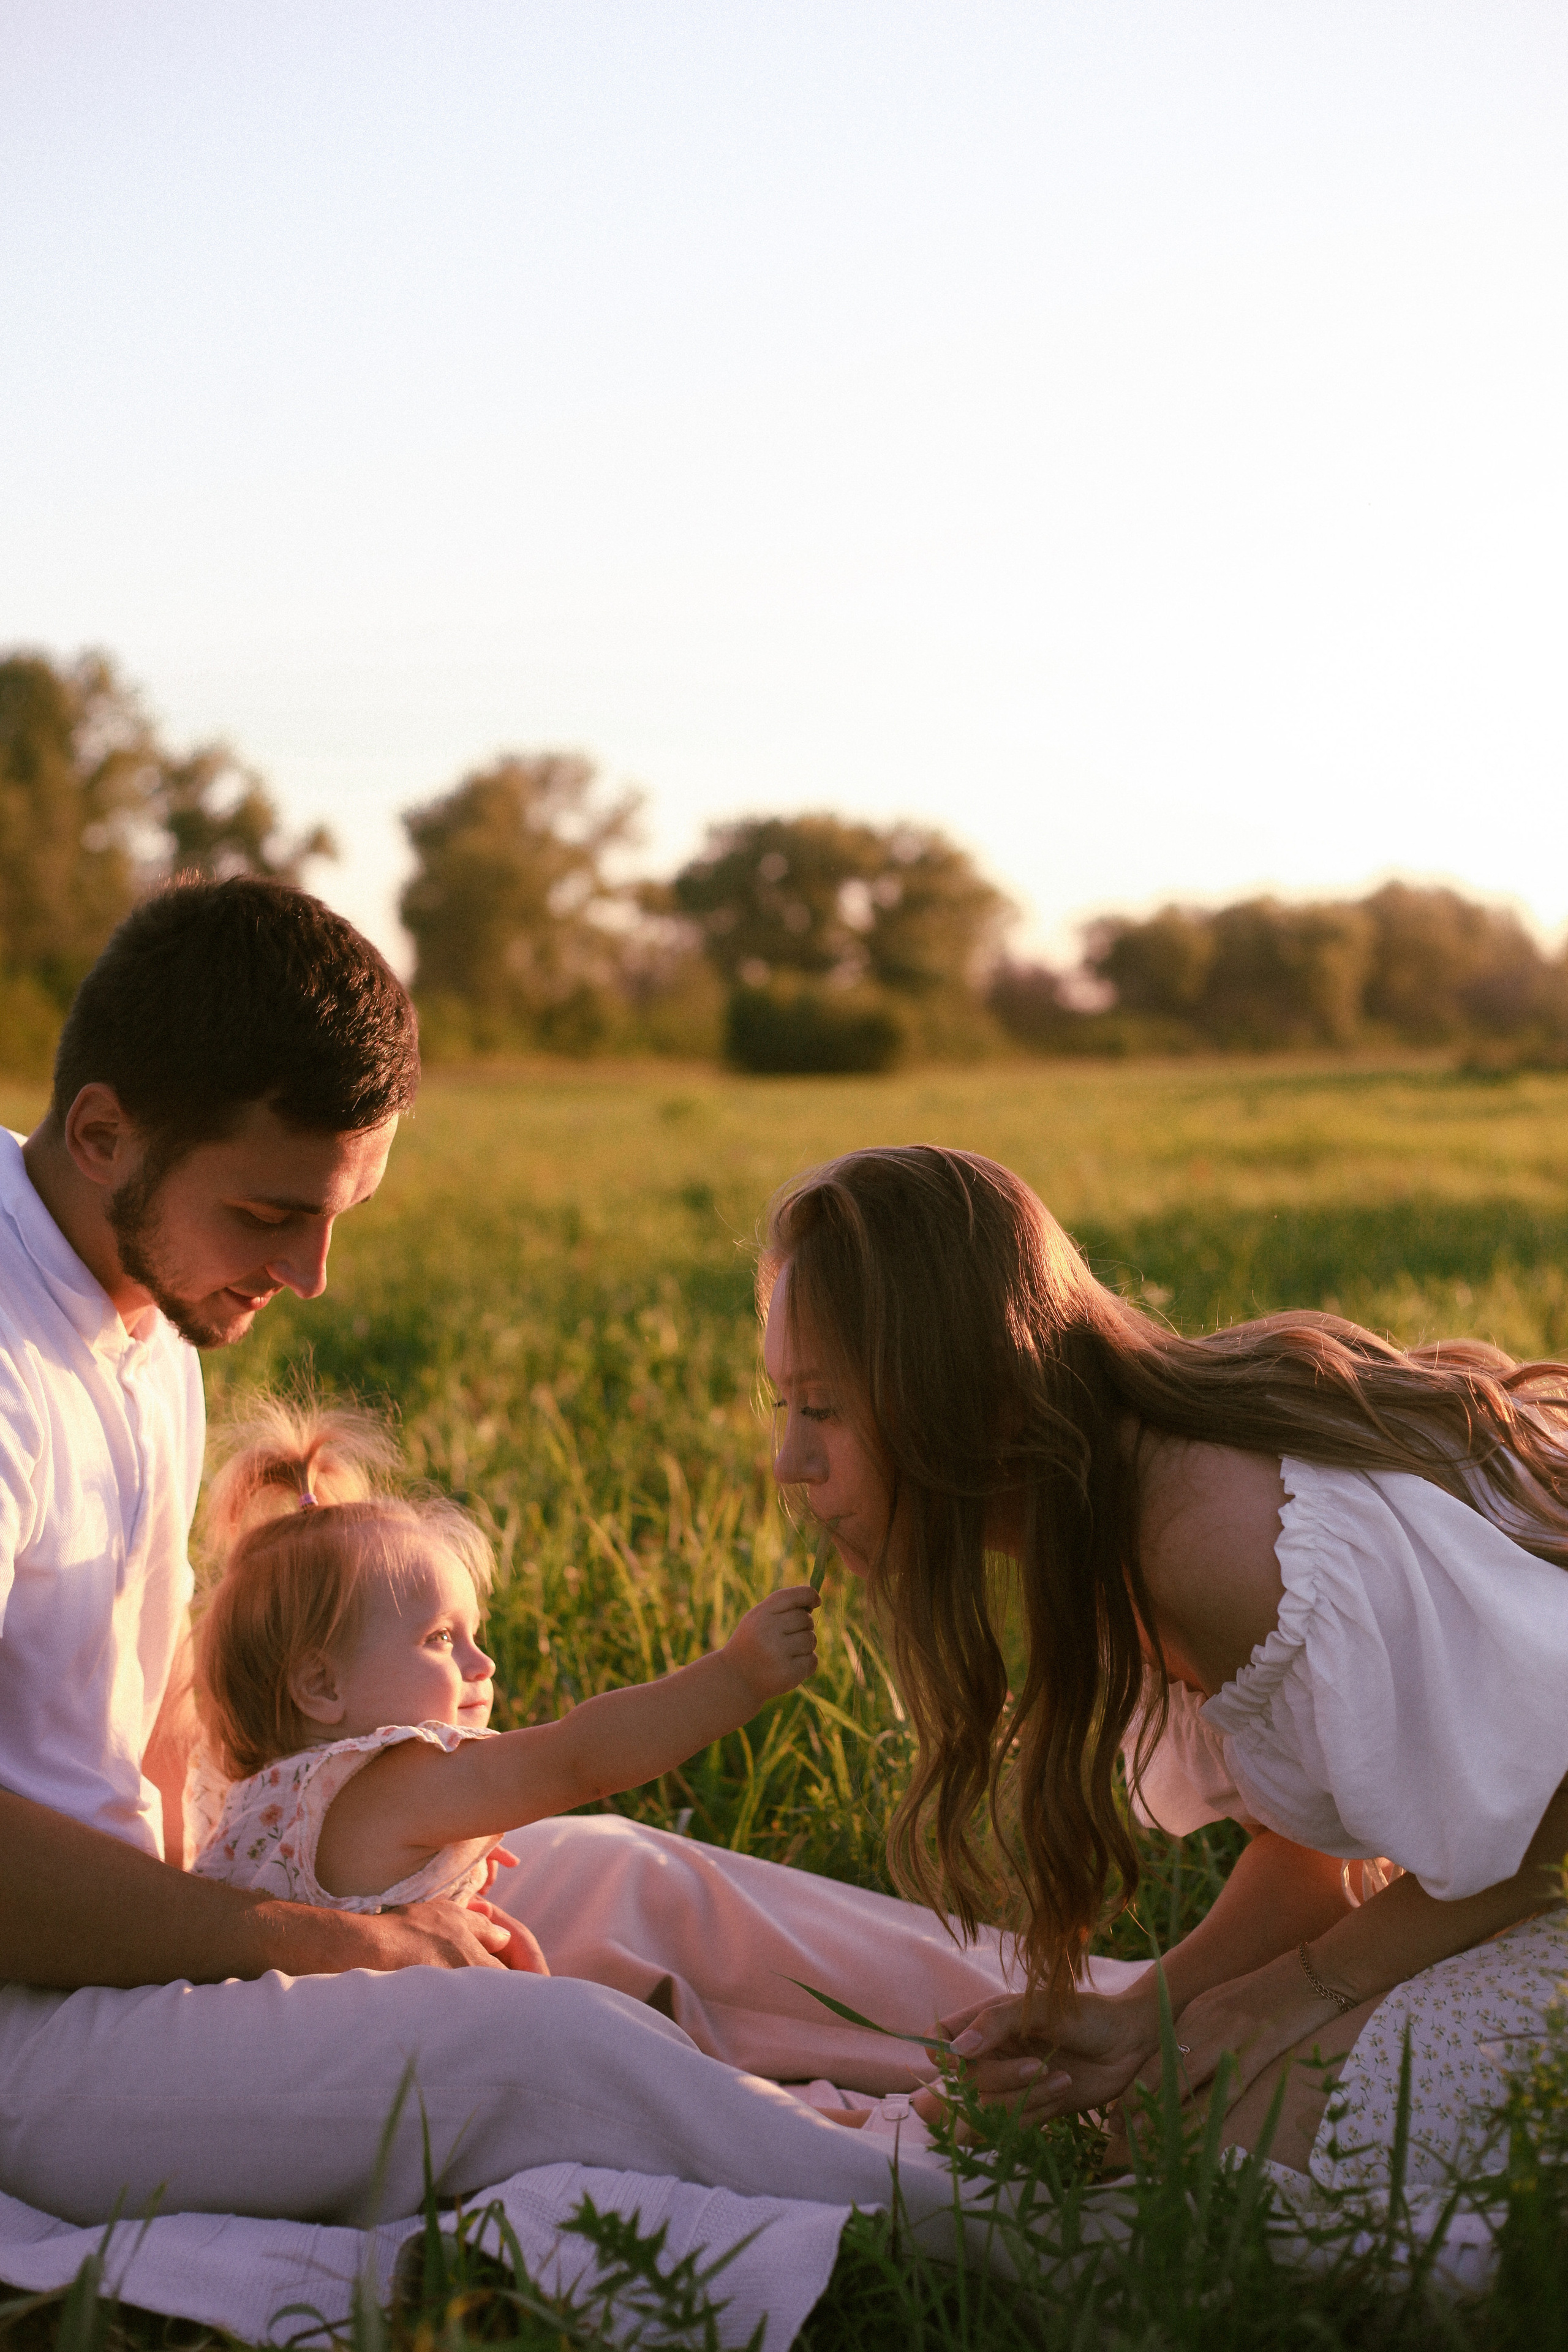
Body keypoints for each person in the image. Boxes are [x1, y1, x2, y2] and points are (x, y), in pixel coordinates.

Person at [2, 881, 1088, 2249]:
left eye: (336, 1213)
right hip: (37, 2040)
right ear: (102, 1133)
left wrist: (302, 1871)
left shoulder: (138, 1298)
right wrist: (327, 1943)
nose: (314, 1273)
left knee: (620, 1873)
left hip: (168, 1936)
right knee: (527, 2045)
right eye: (274, 1213)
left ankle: (1135, 2018)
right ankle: (1051, 2242)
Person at [736, 1141, 1568, 2190]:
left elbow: (1552, 1818)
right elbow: (1317, 1841)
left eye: (827, 1408)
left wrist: (1295, 1993)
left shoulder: (1209, 1538)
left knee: (1234, 2147)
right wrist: (1144, 2020)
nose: (790, 1463)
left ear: (972, 1392)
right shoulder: (1110, 1521)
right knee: (1168, 2116)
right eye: (785, 1406)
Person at [187, 1400, 818, 1946]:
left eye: (473, 1633)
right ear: (322, 1688)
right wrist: (735, 1678)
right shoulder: (386, 1783)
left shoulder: (273, 1799)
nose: (482, 1664)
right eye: (440, 1638)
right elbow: (579, 1759)